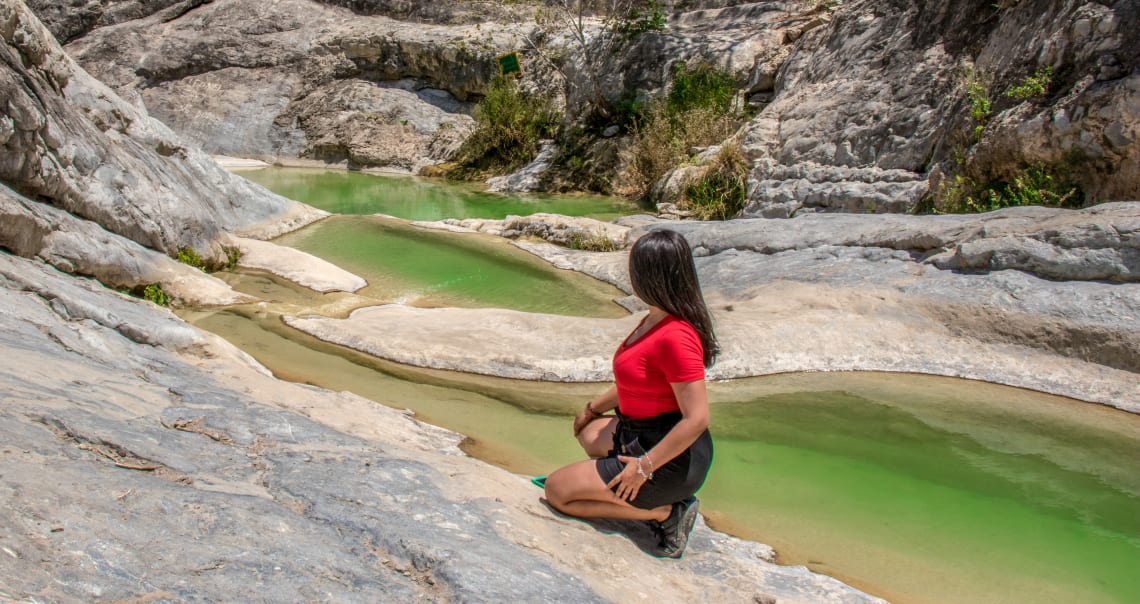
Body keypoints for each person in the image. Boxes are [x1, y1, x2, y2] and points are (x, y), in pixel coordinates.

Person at [544, 228, 718, 558]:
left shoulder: (676, 336)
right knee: (589, 432)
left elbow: (697, 419)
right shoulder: (653, 318)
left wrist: (643, 467)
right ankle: (619, 485)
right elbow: (634, 382)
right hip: (643, 433)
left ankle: (666, 512)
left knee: (558, 491)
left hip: (671, 459)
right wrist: (591, 410)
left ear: (650, 275)